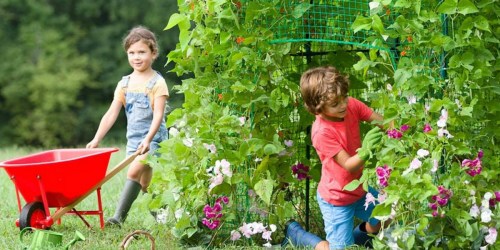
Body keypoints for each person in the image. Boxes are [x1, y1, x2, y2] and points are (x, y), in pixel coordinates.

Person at [282, 66, 387, 249]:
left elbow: (383, 121)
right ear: (317, 109)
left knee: (385, 215)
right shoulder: (322, 132)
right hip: (336, 199)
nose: (343, 105)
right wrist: (366, 149)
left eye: (344, 97)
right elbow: (349, 165)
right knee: (336, 248)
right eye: (335, 103)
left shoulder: (351, 106)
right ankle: (298, 235)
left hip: (359, 189)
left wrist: (405, 130)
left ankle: (355, 241)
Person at [86, 26, 169, 226]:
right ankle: (163, 219)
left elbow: (159, 115)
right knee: (145, 184)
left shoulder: (158, 83)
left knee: (133, 173)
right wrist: (97, 138)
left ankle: (117, 218)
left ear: (153, 53)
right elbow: (111, 113)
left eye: (142, 52)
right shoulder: (124, 84)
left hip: (154, 139)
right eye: (131, 53)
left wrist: (149, 140)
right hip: (133, 141)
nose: (136, 57)